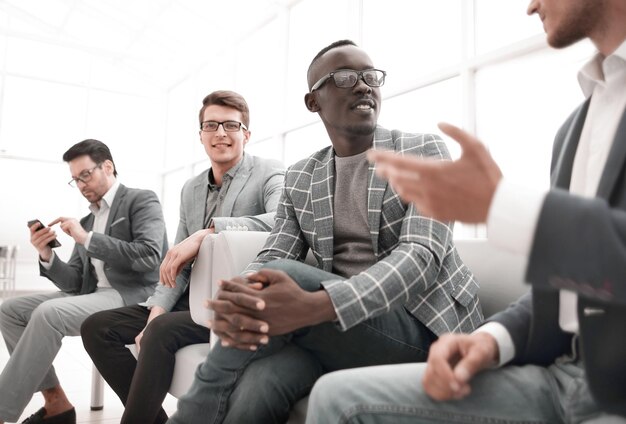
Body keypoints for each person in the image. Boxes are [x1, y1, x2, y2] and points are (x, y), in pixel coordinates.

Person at [306, 0, 626, 422]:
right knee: (334, 398)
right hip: (563, 377)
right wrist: (492, 339)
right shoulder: (575, 128)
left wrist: (499, 204)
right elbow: (565, 294)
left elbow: (419, 258)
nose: (530, 6)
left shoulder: (420, 146)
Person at [166, 39, 483, 424]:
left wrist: (318, 304)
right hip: (337, 331)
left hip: (423, 330)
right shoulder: (302, 175)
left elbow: (421, 258)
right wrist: (243, 292)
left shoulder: (422, 151)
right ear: (313, 101)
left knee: (285, 276)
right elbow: (274, 252)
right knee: (258, 387)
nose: (364, 85)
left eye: (371, 76)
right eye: (346, 77)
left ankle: (190, 413)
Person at [80, 90, 288, 424]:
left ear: (246, 134)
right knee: (97, 327)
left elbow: (282, 219)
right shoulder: (191, 189)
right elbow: (175, 262)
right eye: (211, 125)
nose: (220, 132)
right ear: (201, 136)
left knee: (161, 331)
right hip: (185, 302)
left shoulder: (269, 172)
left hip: (228, 302)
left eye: (231, 125)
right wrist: (156, 309)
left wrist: (210, 231)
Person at [0, 139, 167, 424]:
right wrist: (47, 255)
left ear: (108, 167)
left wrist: (86, 239)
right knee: (10, 310)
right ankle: (56, 403)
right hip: (94, 295)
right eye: (75, 179)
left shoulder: (141, 200)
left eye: (85, 175)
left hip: (131, 296)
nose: (81, 184)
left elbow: (150, 256)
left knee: (48, 313)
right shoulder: (87, 221)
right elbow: (75, 283)